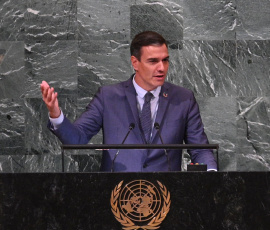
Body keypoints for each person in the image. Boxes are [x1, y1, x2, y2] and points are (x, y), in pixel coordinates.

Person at [41, 31, 217, 172]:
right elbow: (77, 140)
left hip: (166, 198)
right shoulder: (107, 97)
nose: (161, 68)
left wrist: (210, 174)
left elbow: (200, 149)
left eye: (165, 60)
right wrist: (56, 115)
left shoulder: (183, 99)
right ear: (135, 62)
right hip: (117, 197)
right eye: (153, 61)